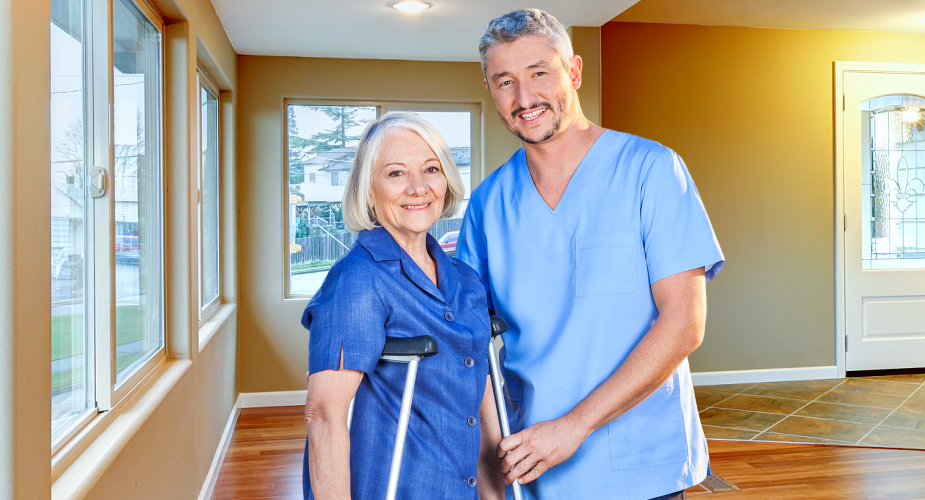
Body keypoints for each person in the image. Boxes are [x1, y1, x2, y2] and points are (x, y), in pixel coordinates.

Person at [457, 8, 725, 500]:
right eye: (505, 81)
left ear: (574, 71)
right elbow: (470, 348)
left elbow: (684, 324)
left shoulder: (652, 171)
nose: (524, 97)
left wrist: (573, 427)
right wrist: (490, 465)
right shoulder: (488, 203)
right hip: (532, 468)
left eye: (539, 73)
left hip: (642, 465)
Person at [302, 112, 506, 500]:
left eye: (431, 169)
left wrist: (496, 494)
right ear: (369, 189)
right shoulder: (358, 280)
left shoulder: (464, 280)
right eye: (396, 173)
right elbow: (325, 414)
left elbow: (482, 403)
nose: (418, 187)